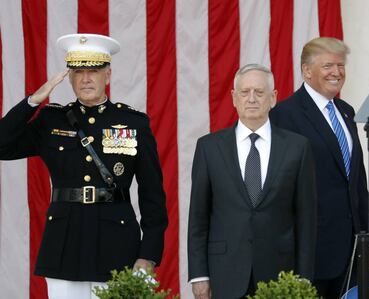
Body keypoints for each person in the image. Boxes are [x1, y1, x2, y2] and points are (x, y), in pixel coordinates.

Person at [0, 33, 168, 298]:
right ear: (69, 77)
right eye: (78, 71)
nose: (86, 78)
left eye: (94, 70)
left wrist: (148, 255)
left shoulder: (134, 123)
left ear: (108, 75)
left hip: (118, 246)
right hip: (64, 245)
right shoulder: (51, 121)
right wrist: (33, 100)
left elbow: (153, 197)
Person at [269, 37, 369, 299]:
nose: (337, 72)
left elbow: (356, 182)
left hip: (353, 249)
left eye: (341, 65)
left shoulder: (346, 111)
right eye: (328, 66)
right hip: (310, 253)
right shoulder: (284, 115)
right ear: (306, 70)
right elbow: (279, 189)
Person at [187, 64, 317, 299]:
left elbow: (306, 217)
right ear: (234, 98)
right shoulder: (209, 148)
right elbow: (198, 217)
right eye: (245, 92)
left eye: (259, 92)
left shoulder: (298, 147)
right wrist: (199, 275)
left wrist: (304, 276)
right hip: (225, 273)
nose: (252, 99)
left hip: (281, 274)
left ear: (273, 98)